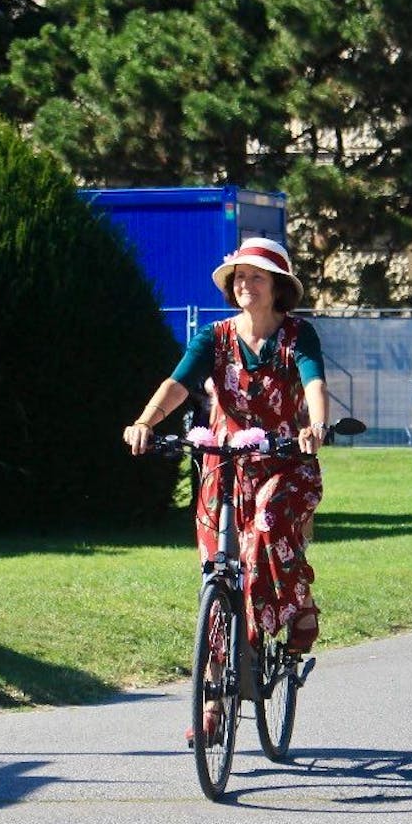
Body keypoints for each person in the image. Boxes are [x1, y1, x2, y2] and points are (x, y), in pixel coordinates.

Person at [124, 237, 329, 668]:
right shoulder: (213, 338)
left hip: (286, 463)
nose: (245, 284)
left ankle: (300, 608)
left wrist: (316, 426)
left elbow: (313, 384)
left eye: (256, 276)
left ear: (277, 286)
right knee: (218, 569)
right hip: (226, 468)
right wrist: (145, 421)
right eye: (240, 277)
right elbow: (177, 385)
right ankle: (216, 696)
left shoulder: (298, 335)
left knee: (267, 524)